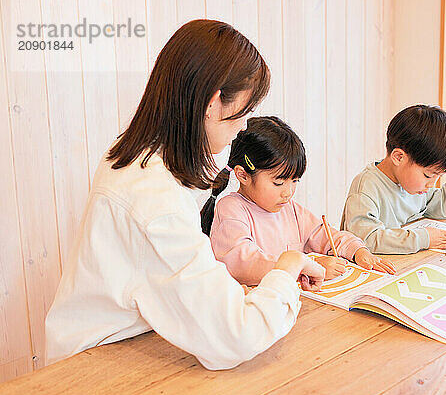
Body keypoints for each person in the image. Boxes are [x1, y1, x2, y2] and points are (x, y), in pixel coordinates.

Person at [45, 19, 325, 370]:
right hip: (94, 367)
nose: (242, 127)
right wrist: (287, 266)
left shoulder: (138, 157)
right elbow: (236, 336)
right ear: (212, 103)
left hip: (111, 345)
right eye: (244, 111)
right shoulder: (155, 199)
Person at [203, 116, 397, 286]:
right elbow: (242, 264)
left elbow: (325, 235)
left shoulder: (290, 209)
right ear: (243, 176)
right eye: (278, 182)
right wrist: (304, 266)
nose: (288, 193)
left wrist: (358, 251)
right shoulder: (231, 209)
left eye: (294, 181)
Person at [341, 104, 446, 254]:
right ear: (399, 157)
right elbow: (365, 240)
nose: (432, 184)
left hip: (405, 264)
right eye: (428, 175)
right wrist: (424, 238)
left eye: (439, 176)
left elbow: (440, 209)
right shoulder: (366, 188)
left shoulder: (413, 185)